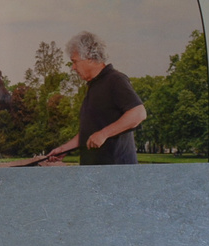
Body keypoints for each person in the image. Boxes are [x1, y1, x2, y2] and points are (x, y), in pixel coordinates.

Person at [46, 31, 148, 165]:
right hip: (96, 173)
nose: (73, 68)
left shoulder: (115, 80)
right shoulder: (93, 86)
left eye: (75, 62)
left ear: (89, 57)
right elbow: (89, 133)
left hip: (117, 172)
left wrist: (104, 133)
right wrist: (64, 149)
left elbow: (138, 113)